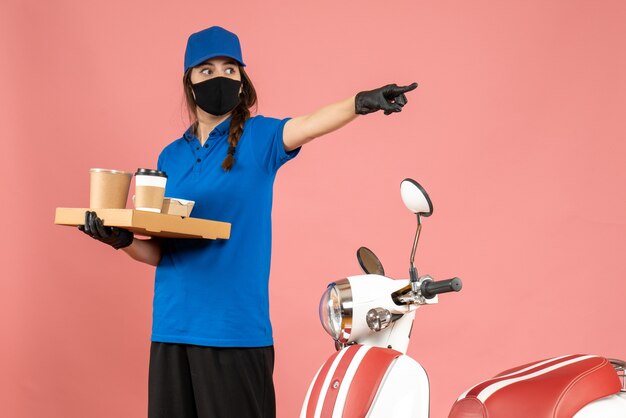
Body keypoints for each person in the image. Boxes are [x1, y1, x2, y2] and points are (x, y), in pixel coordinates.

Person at [79, 26, 417, 418]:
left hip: (234, 333)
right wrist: (120, 240)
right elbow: (161, 252)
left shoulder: (260, 139)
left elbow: (310, 122)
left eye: (229, 69)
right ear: (188, 82)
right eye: (206, 70)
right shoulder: (170, 157)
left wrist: (363, 101)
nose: (218, 77)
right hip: (171, 330)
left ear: (242, 82)